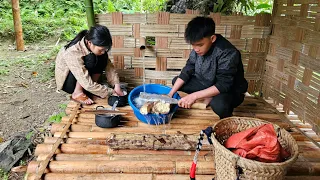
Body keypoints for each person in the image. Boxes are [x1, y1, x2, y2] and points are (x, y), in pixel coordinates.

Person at [168, 16, 248, 119]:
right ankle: (209, 94)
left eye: (200, 45)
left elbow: (224, 85)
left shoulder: (228, 52)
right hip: (208, 83)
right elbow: (188, 69)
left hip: (230, 90)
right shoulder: (197, 48)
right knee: (177, 82)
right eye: (193, 45)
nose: (196, 49)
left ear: (212, 39)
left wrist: (194, 96)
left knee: (219, 105)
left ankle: (225, 115)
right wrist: (170, 94)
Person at [55, 25, 124, 105]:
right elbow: (84, 80)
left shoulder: (94, 44)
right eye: (101, 49)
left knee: (102, 57)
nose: (103, 52)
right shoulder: (73, 51)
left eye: (105, 49)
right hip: (68, 82)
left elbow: (109, 67)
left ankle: (92, 88)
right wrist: (110, 92)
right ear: (89, 42)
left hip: (84, 80)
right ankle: (77, 93)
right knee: (92, 60)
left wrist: (116, 85)